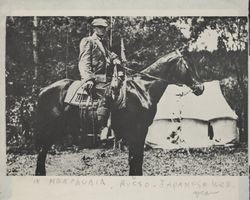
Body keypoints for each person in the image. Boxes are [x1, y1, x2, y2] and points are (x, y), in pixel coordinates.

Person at [78, 18, 122, 140]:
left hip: (107, 78)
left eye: (104, 28)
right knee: (108, 94)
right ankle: (102, 128)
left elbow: (108, 55)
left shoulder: (104, 42)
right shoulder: (88, 41)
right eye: (99, 27)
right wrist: (88, 79)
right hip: (95, 80)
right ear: (94, 28)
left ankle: (118, 128)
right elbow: (84, 62)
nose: (102, 30)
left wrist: (115, 58)